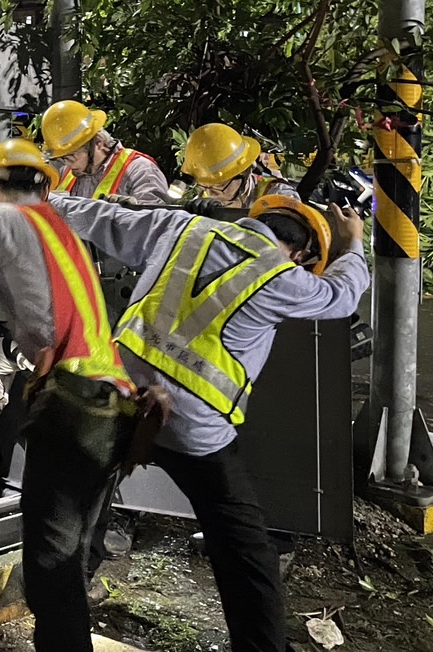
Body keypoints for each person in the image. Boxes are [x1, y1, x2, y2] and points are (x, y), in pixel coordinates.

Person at [56, 191, 369, 652]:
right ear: (302, 255)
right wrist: (353, 245)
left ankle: (65, 618)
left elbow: (101, 217)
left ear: (256, 219)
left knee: (82, 509)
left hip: (118, 398)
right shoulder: (285, 279)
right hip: (193, 427)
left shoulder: (181, 228)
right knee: (243, 548)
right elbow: (341, 295)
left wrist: (41, 196)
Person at [0, 139, 136, 652]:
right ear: (44, 182)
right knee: (73, 550)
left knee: (50, 569)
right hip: (113, 393)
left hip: (71, 401)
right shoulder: (65, 225)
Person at [41, 99, 169, 205]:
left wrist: (131, 213)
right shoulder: (69, 172)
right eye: (63, 158)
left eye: (71, 156)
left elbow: (158, 225)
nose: (67, 165)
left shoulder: (140, 170)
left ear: (99, 142)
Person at [182, 123, 296, 208]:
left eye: (218, 186)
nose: (210, 193)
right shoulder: (202, 205)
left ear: (244, 172)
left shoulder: (278, 195)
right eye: (204, 186)